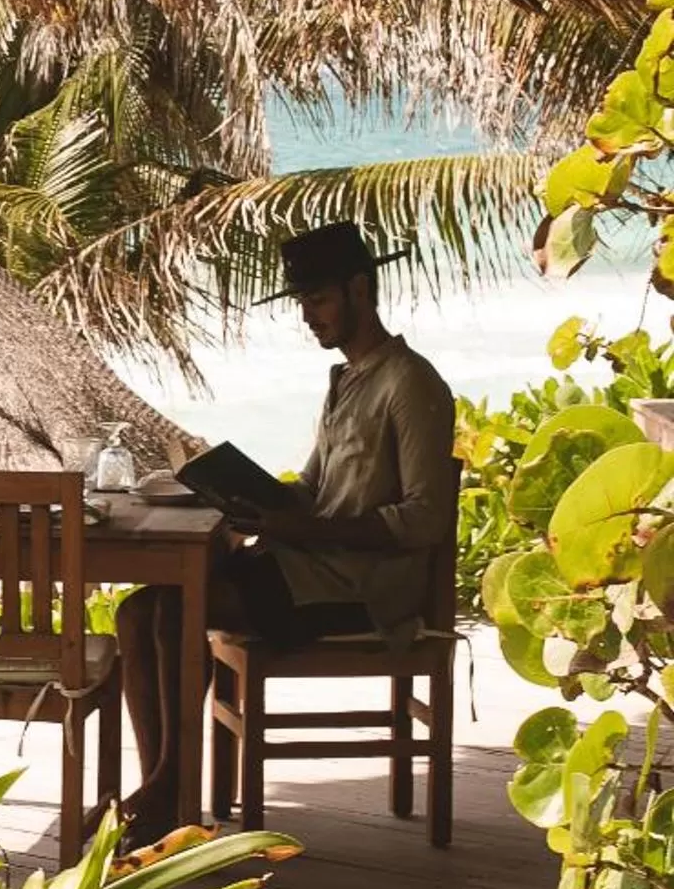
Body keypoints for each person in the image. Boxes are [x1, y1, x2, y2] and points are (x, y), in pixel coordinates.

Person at [114, 220, 456, 845]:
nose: (307, 316)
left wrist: (299, 525)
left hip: (359, 589)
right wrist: (244, 498)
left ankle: (168, 790)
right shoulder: (346, 382)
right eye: (302, 302)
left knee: (176, 607)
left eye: (318, 300)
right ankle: (165, 785)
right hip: (307, 569)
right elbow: (311, 490)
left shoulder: (410, 384)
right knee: (138, 610)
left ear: (360, 289)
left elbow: (424, 518)